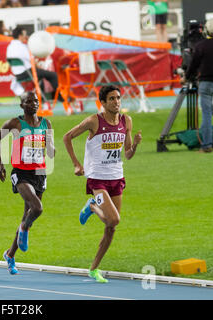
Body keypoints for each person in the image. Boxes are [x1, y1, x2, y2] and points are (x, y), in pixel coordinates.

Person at [63, 85, 142, 283]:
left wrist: (137, 144)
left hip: (117, 177)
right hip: (97, 179)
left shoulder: (126, 121)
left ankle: (93, 269)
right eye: (112, 99)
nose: (117, 102)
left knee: (110, 227)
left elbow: (128, 154)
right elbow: (67, 137)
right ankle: (91, 205)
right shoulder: (93, 121)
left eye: (118, 98)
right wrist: (76, 164)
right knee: (114, 219)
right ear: (103, 103)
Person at [0, 91, 55, 275]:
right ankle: (23, 229)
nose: (34, 103)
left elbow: (51, 148)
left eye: (36, 100)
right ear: (22, 105)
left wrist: (50, 147)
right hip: (21, 173)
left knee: (27, 215)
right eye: (29, 101)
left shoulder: (46, 122)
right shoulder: (15, 123)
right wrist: (0, 165)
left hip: (40, 172)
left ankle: (10, 255)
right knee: (37, 209)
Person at [184, 18, 213, 153]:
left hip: (206, 83)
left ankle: (207, 145)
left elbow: (193, 65)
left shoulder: (201, 46)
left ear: (206, 30)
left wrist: (187, 77)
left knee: (206, 115)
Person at [7, 26, 60, 101]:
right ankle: (60, 98)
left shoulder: (10, 47)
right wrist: (40, 68)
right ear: (20, 36)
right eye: (25, 35)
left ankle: (42, 101)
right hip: (27, 73)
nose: (26, 37)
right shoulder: (22, 47)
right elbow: (32, 61)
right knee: (52, 75)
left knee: (40, 76)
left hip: (17, 75)